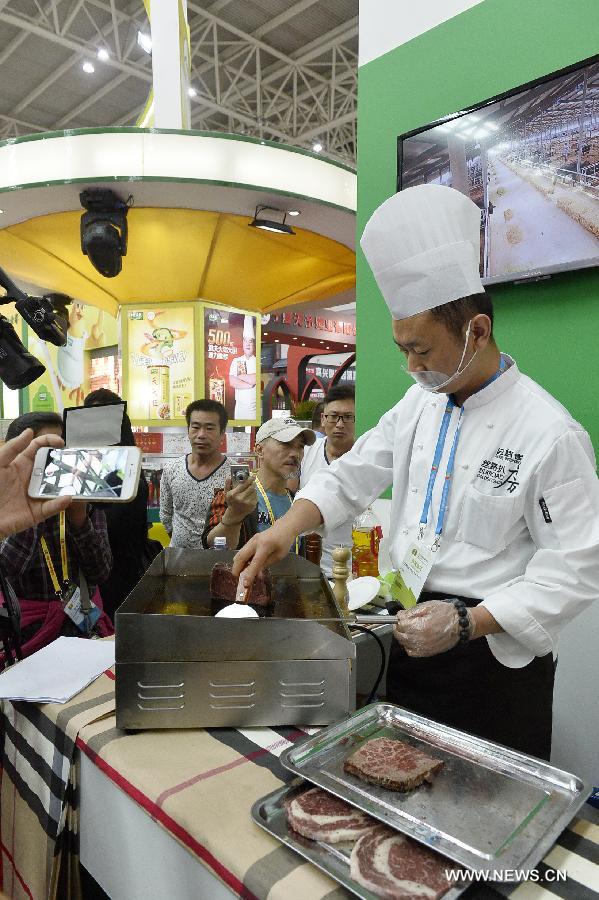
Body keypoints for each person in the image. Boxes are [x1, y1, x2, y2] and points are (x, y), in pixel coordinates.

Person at [232, 183, 599, 760]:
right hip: (408, 631)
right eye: (402, 349)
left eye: (422, 350)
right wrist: (283, 530)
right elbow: (351, 474)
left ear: (476, 331)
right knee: (400, 791)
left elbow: (576, 567)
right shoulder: (419, 403)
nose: (411, 366)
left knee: (480, 824)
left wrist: (467, 622)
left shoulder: (549, 432)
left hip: (491, 659)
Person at [0, 412, 113, 655]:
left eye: (60, 451)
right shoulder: (5, 504)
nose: (54, 462)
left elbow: (101, 571)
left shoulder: (83, 497)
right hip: (28, 631)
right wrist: (32, 513)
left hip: (82, 622)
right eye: (43, 454)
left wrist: (79, 520)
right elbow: (8, 571)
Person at [84, 389, 151, 621]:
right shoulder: (79, 469)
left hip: (120, 580)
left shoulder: (130, 478)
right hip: (84, 584)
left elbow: (117, 536)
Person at [202, 417, 315, 551]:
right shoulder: (236, 496)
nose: (295, 453)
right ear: (259, 450)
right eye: (286, 444)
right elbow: (213, 545)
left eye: (300, 446)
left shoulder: (299, 502)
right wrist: (234, 515)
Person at [300, 385, 356, 576]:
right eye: (333, 416)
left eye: (347, 417)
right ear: (323, 419)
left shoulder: (366, 459)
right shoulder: (306, 452)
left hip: (353, 570)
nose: (340, 424)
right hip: (311, 566)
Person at [160, 399, 230, 549]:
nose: (201, 435)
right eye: (195, 427)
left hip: (219, 560)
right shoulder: (172, 469)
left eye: (210, 428)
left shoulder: (233, 473)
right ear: (188, 430)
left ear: (222, 432)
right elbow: (166, 515)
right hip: (178, 559)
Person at [229, 316, 257, 419]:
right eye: (245, 341)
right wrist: (250, 385)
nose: (248, 344)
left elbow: (254, 379)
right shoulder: (236, 361)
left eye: (251, 341)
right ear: (242, 343)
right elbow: (232, 382)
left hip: (253, 409)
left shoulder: (257, 362)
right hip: (239, 408)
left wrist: (240, 375)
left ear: (254, 344)